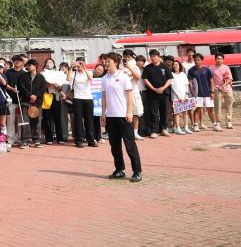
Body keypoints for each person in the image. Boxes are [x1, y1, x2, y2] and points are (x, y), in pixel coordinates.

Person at [100, 53, 142, 183]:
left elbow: (129, 96)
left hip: (123, 115)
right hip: (111, 116)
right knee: (115, 145)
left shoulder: (123, 77)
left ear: (116, 62)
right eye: (105, 61)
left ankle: (137, 171)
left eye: (108, 61)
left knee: (129, 144)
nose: (106, 63)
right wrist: (103, 113)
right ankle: (119, 170)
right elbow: (104, 97)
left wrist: (129, 112)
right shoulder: (104, 78)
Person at [142, 49, 172, 138]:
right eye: (151, 56)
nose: (153, 58)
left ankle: (164, 129)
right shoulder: (147, 68)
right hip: (152, 93)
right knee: (153, 112)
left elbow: (170, 79)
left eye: (155, 56)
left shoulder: (165, 67)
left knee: (164, 111)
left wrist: (163, 88)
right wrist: (154, 89)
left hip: (164, 92)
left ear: (158, 57)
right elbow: (145, 79)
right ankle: (154, 130)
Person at [4, 55, 31, 147]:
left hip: (22, 100)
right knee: (10, 120)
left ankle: (21, 138)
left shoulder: (25, 73)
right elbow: (5, 84)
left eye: (19, 60)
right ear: (13, 62)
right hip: (11, 100)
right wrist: (12, 89)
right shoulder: (8, 72)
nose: (17, 62)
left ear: (22, 62)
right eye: (15, 60)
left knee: (21, 120)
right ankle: (10, 139)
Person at [70, 60, 97, 147]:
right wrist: (71, 67)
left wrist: (85, 67)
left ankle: (91, 140)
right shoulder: (74, 73)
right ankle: (79, 140)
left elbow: (90, 78)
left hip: (88, 98)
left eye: (81, 64)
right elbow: (68, 79)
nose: (79, 66)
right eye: (78, 64)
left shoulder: (88, 72)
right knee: (78, 120)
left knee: (89, 120)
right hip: (78, 98)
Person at [188, 53, 216, 131]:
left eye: (198, 60)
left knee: (210, 109)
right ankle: (196, 125)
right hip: (197, 94)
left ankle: (215, 125)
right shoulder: (191, 70)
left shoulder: (207, 69)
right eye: (195, 60)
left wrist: (212, 92)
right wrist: (193, 93)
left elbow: (211, 81)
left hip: (207, 93)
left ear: (201, 60)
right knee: (197, 109)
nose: (196, 61)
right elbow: (190, 82)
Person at [25, 59, 47, 146]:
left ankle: (37, 139)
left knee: (38, 121)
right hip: (26, 101)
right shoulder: (24, 76)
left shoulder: (41, 77)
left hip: (37, 102)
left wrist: (36, 96)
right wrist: (29, 96)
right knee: (27, 121)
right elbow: (22, 87)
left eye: (30, 65)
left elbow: (43, 88)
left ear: (35, 66)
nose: (28, 67)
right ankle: (26, 139)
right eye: (27, 65)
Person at [211, 53, 234, 131]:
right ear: (215, 59)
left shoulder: (226, 67)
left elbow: (229, 78)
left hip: (227, 89)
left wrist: (223, 85)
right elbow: (210, 80)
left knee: (229, 106)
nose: (219, 60)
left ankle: (229, 122)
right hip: (217, 89)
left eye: (221, 59)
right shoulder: (211, 68)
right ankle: (218, 122)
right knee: (217, 107)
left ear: (223, 60)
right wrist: (213, 88)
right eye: (218, 58)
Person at [169, 61, 192, 135]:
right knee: (177, 112)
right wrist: (178, 96)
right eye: (174, 65)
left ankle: (186, 128)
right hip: (175, 97)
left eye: (177, 64)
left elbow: (186, 85)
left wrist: (186, 95)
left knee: (185, 112)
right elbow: (172, 86)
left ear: (179, 66)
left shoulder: (183, 74)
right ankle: (177, 128)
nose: (175, 66)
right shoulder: (171, 74)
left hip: (184, 96)